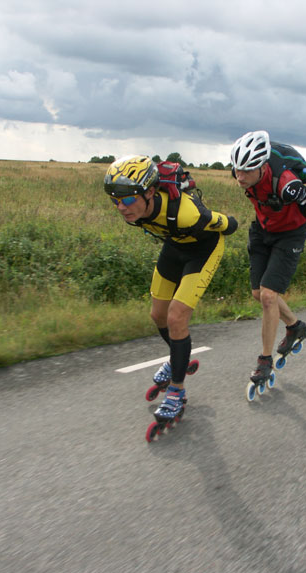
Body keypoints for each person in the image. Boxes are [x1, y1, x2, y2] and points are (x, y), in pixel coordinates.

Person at [104, 155, 238, 424]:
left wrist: (229, 222)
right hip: (175, 247)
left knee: (177, 318)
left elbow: (226, 224)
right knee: (158, 315)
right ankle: (180, 358)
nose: (121, 207)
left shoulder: (187, 212)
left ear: (151, 192)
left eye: (128, 199)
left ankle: (177, 391)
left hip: (203, 250)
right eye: (115, 200)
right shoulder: (137, 209)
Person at [229, 130, 306, 386]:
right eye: (237, 169)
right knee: (257, 293)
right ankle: (295, 327)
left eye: (246, 171)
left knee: (269, 296)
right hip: (262, 230)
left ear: (261, 166)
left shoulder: (284, 181)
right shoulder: (242, 174)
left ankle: (264, 360)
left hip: (290, 235)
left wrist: (305, 195)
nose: (240, 177)